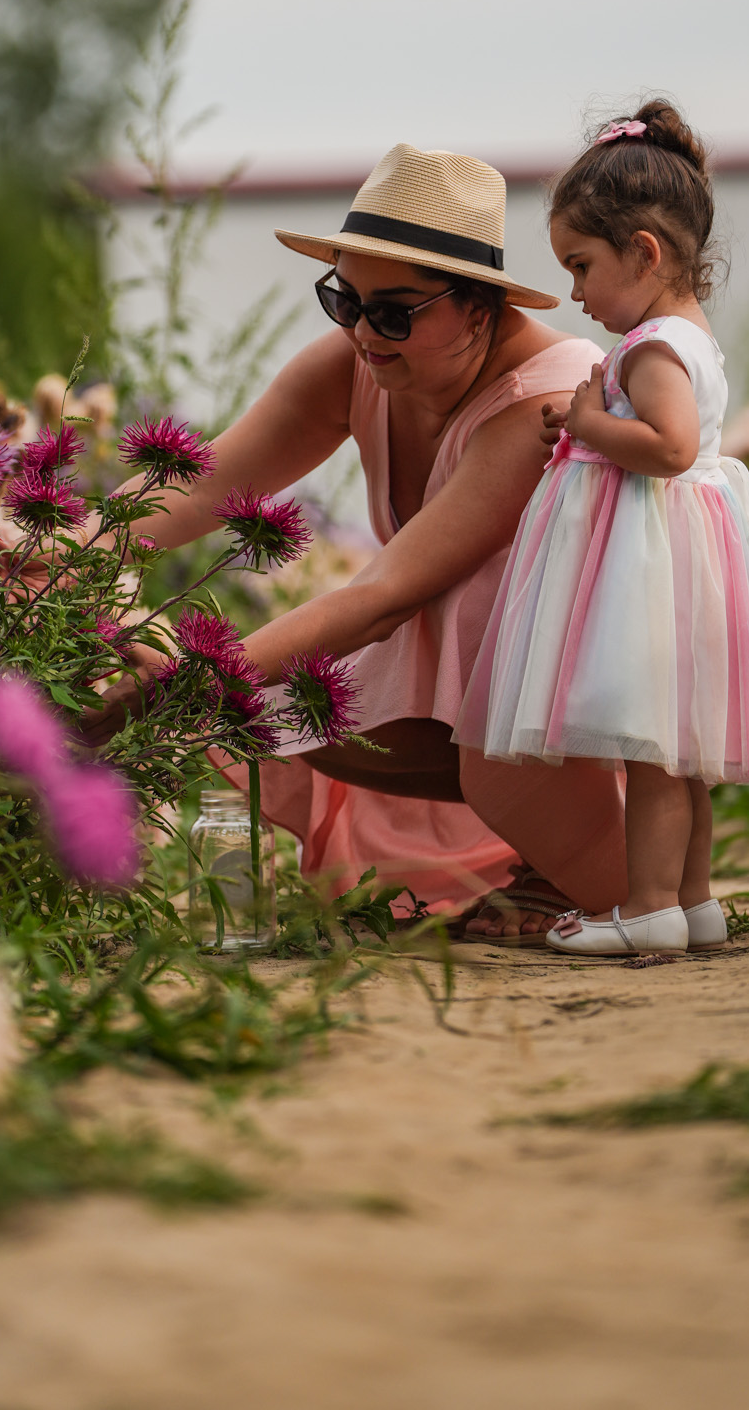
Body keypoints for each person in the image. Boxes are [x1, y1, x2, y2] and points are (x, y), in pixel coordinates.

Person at [89, 143, 630, 937]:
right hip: (492, 688)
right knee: (285, 701)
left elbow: (384, 597)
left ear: (480, 307)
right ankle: (546, 852)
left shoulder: (545, 398)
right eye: (344, 301)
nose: (364, 334)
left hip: (608, 674)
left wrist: (186, 682)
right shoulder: (357, 364)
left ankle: (587, 860)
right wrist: (57, 553)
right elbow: (200, 487)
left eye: (393, 313)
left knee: (298, 691)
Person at [455, 101, 749, 955]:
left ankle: (647, 907)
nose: (573, 290)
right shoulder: (689, 336)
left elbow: (670, 448)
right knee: (681, 755)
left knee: (652, 751)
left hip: (655, 569)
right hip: (689, 563)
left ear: (642, 253)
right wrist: (583, 427)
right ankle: (692, 903)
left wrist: (586, 425)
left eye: (580, 264)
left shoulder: (651, 346)